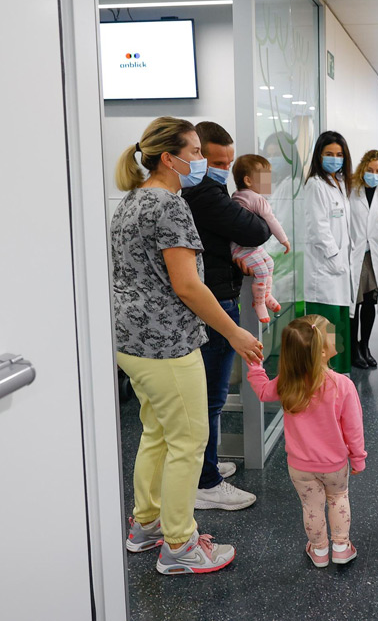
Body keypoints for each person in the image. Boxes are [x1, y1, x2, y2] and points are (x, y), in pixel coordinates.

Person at [111, 117, 264, 574]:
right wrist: (234, 332)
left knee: (157, 433)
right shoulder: (170, 206)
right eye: (195, 152)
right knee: (189, 440)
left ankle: (146, 524)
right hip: (166, 345)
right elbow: (189, 287)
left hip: (132, 342)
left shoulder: (131, 202)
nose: (200, 161)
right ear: (168, 158)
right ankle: (180, 544)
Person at [181, 121, 268, 511]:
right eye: (208, 157)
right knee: (211, 398)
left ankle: (207, 467)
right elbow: (255, 230)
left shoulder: (209, 191)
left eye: (227, 162)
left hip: (218, 295)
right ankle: (206, 481)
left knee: (210, 396)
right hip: (214, 304)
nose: (218, 166)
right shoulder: (206, 195)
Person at [246, 315, 366, 567]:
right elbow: (353, 429)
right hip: (334, 464)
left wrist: (256, 366)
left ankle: (320, 551)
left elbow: (262, 390)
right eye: (331, 333)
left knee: (311, 507)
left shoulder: (288, 383)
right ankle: (342, 547)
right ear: (322, 352)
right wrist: (357, 458)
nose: (336, 336)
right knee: (338, 498)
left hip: (300, 466)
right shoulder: (342, 385)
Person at [304, 131, 354, 374]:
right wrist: (335, 258)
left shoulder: (340, 183)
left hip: (340, 270)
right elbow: (318, 228)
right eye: (329, 154)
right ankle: (323, 380)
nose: (335, 159)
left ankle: (338, 379)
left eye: (339, 155)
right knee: (326, 329)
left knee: (339, 327)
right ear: (319, 155)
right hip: (324, 271)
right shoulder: (315, 185)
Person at [230, 154, 291, 323]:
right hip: (242, 249)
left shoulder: (237, 195)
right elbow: (271, 220)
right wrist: (284, 240)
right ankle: (258, 303)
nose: (270, 182)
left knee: (269, 263)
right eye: (266, 178)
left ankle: (266, 295)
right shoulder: (257, 199)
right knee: (263, 270)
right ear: (248, 180)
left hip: (240, 247)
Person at [348, 150, 378, 369]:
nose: (373, 175)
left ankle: (365, 345)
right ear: (362, 169)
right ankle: (353, 348)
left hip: (374, 253)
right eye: (370, 170)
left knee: (369, 302)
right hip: (354, 253)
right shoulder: (351, 189)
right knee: (353, 303)